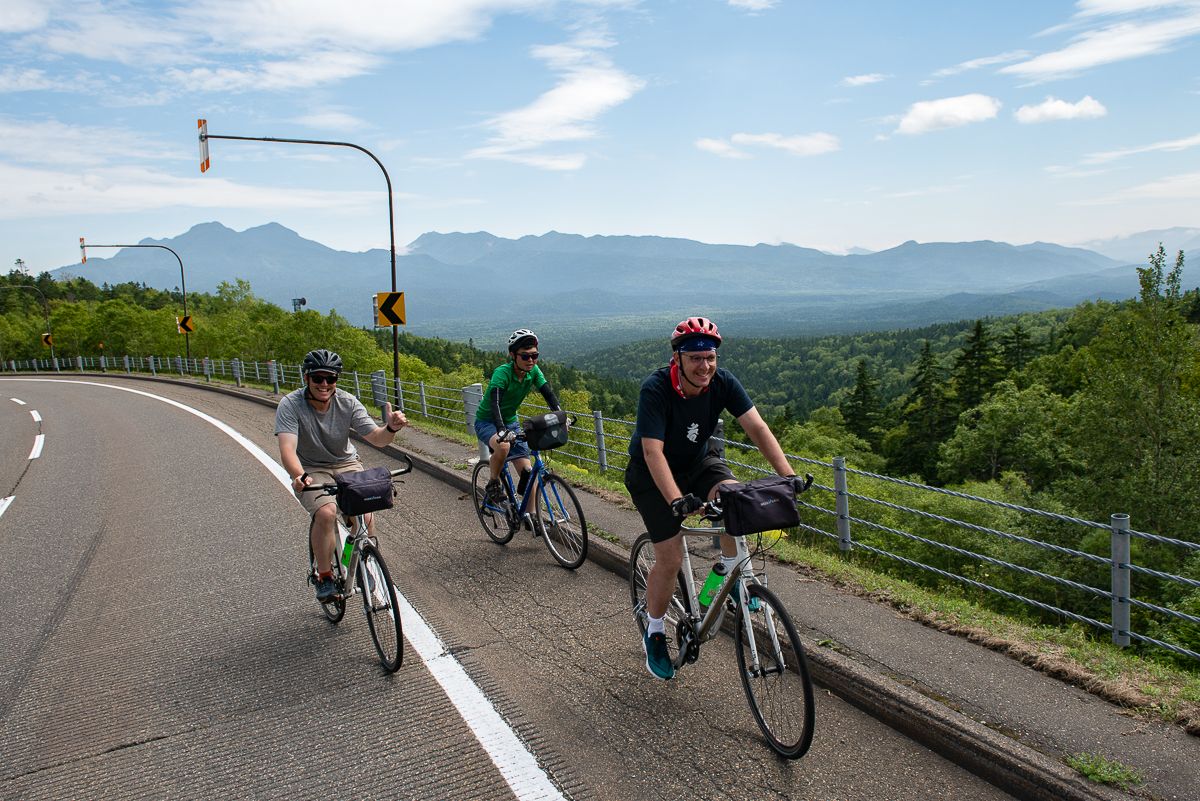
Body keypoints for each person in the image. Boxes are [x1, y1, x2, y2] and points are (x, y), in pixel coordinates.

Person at [625, 317, 797, 680]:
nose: (705, 366)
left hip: (698, 463)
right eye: (695, 359)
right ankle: (654, 632)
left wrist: (789, 476)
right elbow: (653, 453)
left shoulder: (722, 382)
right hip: (651, 475)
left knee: (734, 498)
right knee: (670, 557)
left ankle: (734, 575)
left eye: (710, 357)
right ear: (678, 360)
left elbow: (757, 428)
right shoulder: (656, 388)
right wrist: (676, 500)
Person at [276, 348, 408, 601]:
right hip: (311, 468)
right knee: (326, 513)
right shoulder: (291, 405)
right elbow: (287, 448)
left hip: (346, 464)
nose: (324, 384)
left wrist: (390, 427)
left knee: (364, 515)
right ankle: (324, 576)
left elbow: (377, 439)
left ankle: (360, 562)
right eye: (318, 378)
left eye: (331, 378)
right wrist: (298, 475)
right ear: (307, 378)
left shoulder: (347, 402)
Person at [474, 329, 563, 503]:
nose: (531, 360)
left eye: (534, 355)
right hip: (487, 422)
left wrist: (560, 416)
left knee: (528, 474)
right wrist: (501, 430)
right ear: (513, 355)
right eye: (525, 356)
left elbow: (548, 394)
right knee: (504, 446)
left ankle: (531, 518)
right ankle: (493, 483)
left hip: (510, 422)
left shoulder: (533, 371)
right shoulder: (503, 373)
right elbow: (495, 404)